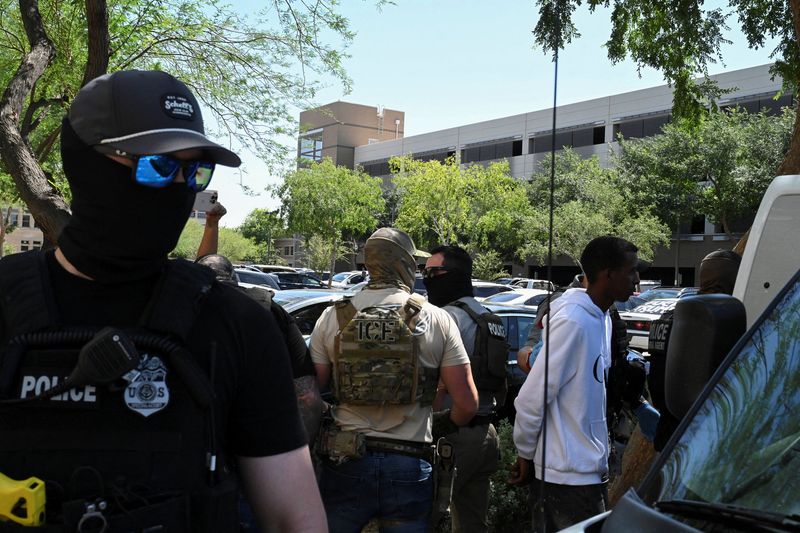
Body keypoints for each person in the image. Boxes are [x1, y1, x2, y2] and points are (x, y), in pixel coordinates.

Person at [0, 70, 325, 532]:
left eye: (194, 171)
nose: (180, 188)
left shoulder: (237, 325)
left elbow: (295, 519)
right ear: (85, 165)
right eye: (157, 166)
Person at [310, 227, 479, 532]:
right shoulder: (437, 318)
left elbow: (311, 394)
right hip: (409, 464)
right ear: (405, 263)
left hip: (345, 460)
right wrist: (439, 423)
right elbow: (467, 404)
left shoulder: (332, 316)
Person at [510, 236, 639, 532]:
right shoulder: (573, 321)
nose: (637, 280)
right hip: (565, 480)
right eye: (631, 271)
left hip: (588, 473)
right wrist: (525, 454)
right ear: (607, 274)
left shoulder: (602, 317)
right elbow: (533, 398)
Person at [423, 245, 507, 533]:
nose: (426, 278)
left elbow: (434, 382)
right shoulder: (489, 317)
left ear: (455, 275)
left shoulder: (446, 318)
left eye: (433, 272)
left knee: (423, 520)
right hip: (486, 434)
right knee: (473, 526)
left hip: (452, 438)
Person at [647, 249, 742, 451]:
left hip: (668, 435)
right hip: (697, 443)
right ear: (733, 280)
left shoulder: (671, 316)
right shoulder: (718, 319)